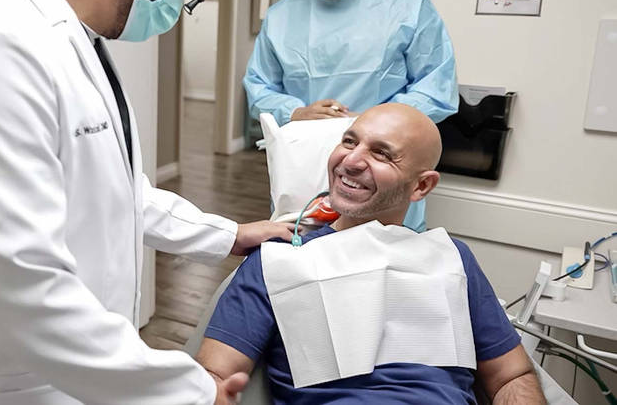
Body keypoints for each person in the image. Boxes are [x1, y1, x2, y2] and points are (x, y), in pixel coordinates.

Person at [0, 0, 291, 404]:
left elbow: (117, 192)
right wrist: (190, 392)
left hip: (82, 370)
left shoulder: (74, 40)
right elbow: (23, 286)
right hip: (16, 383)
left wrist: (229, 235)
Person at [197, 103, 545, 404]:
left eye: (381, 153)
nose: (351, 160)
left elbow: (511, 377)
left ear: (421, 185)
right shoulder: (278, 260)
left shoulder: (451, 258)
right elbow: (213, 377)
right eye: (349, 141)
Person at [242, 0, 459, 232]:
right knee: (305, 262)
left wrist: (372, 123)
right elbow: (259, 87)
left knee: (381, 273)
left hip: (385, 182)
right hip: (303, 177)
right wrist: (294, 112)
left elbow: (437, 90)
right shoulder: (282, 16)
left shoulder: (409, 7)